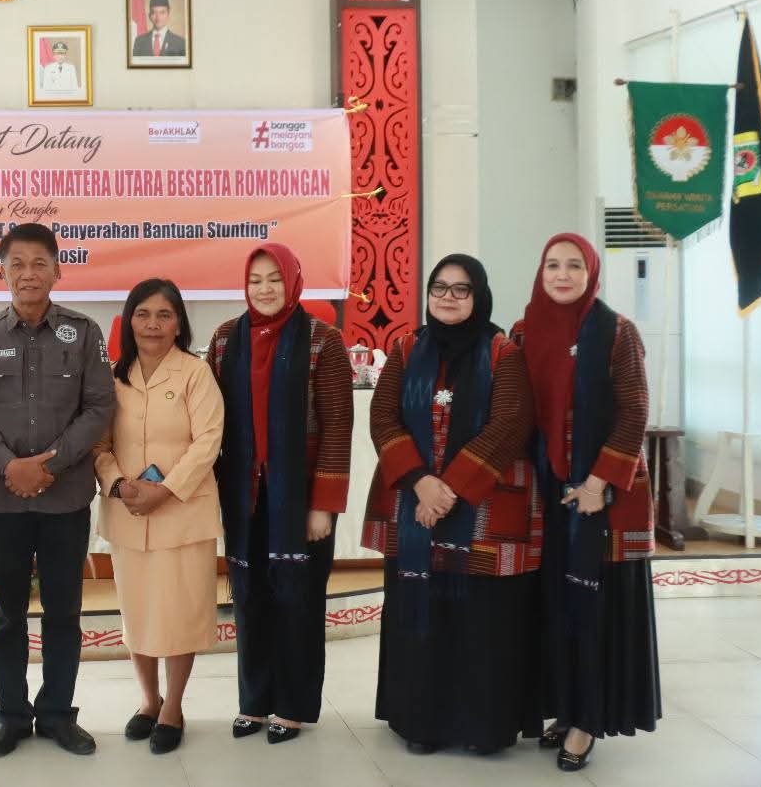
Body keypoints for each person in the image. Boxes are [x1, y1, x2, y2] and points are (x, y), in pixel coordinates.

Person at [363, 254, 541, 755]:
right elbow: (383, 417)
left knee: (481, 622)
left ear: (478, 296)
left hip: (485, 511)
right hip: (414, 507)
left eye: (461, 289)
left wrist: (449, 490)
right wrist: (421, 483)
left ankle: (483, 728)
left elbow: (510, 423)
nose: (447, 297)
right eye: (439, 287)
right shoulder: (404, 349)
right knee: (420, 612)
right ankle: (420, 723)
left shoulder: (504, 353)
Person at [0, 222, 116, 758]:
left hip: (64, 497)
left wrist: (48, 464)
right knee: (7, 615)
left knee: (63, 613)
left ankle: (56, 715)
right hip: (3, 499)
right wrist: (11, 465)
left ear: (57, 270)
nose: (28, 274)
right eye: (17, 264)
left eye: (39, 263)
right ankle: (10, 716)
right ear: (2, 271)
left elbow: (99, 406)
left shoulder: (84, 332)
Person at [515, 233, 660, 772]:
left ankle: (587, 721)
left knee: (593, 607)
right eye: (552, 265)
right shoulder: (524, 331)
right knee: (553, 605)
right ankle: (564, 706)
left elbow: (634, 410)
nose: (562, 275)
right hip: (544, 495)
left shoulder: (617, 331)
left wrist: (598, 482)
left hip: (600, 497)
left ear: (591, 273)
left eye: (574, 265)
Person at [208, 242, 351, 744]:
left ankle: (291, 705)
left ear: (292, 282)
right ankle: (254, 701)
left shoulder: (322, 340)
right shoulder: (225, 339)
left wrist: (324, 505)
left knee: (299, 599)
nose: (265, 289)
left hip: (301, 497)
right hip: (244, 494)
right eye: (255, 280)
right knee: (250, 597)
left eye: (274, 279)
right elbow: (212, 421)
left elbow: (337, 426)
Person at [92, 279, 224, 755]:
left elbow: (209, 440)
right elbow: (99, 445)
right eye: (143, 314)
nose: (153, 324)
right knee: (139, 612)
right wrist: (120, 485)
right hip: (128, 511)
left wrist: (165, 490)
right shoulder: (113, 377)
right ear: (129, 320)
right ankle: (149, 701)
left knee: (180, 612)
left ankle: (174, 708)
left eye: (164, 315)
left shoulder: (196, 373)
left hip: (183, 513)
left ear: (179, 323)